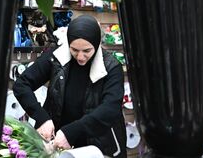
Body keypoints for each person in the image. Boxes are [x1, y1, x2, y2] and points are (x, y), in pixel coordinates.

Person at [13, 15, 126, 157]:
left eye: (87, 51)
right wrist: (42, 118)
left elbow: (110, 109)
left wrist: (72, 131)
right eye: (74, 50)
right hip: (57, 146)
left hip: (96, 147)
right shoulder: (56, 57)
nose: (80, 56)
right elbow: (22, 84)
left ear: (96, 44)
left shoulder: (111, 67)